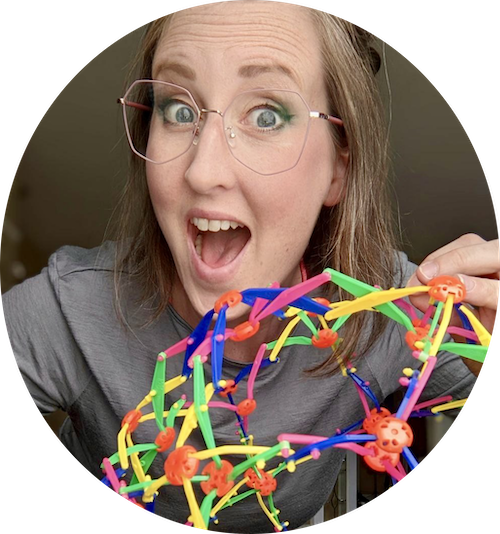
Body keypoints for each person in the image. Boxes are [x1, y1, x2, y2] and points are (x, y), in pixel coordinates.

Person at [2, 1, 498, 531]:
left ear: (337, 167)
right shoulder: (69, 310)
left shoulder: (396, 312)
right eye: (178, 109)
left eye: (266, 115)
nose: (202, 170)